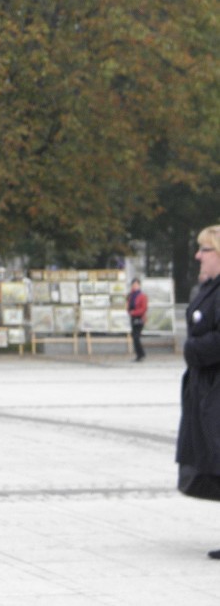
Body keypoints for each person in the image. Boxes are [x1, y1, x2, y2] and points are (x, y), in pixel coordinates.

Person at [176, 225, 220, 559]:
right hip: (206, 387)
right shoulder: (209, 288)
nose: (198, 256)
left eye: (204, 250)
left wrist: (193, 348)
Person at [127, 278, 148, 362]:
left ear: (139, 285)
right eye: (133, 285)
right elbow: (128, 306)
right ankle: (139, 354)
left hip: (140, 318)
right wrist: (129, 311)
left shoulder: (142, 296)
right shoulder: (131, 295)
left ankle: (141, 354)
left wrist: (134, 312)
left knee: (136, 337)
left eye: (136, 285)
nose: (135, 286)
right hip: (133, 318)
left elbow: (144, 308)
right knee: (134, 337)